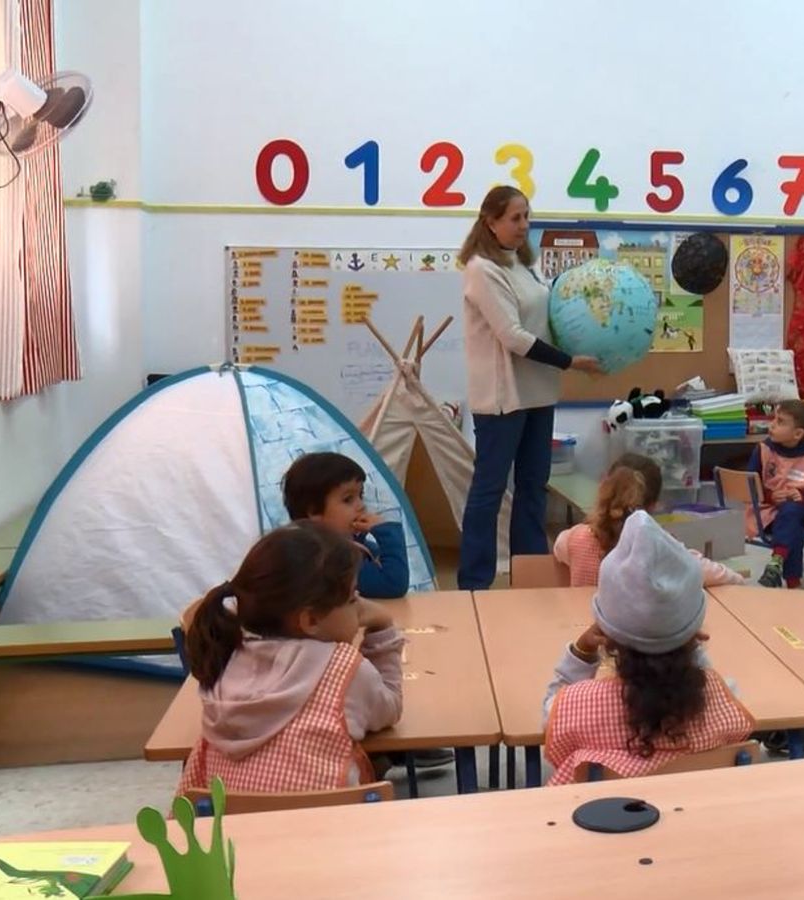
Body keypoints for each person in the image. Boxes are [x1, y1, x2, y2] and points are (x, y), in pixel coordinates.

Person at [178, 522, 404, 792]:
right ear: (310, 620)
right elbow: (389, 707)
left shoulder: (227, 652)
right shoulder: (343, 666)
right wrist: (383, 624)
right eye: (353, 598)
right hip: (330, 828)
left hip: (233, 830)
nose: (360, 606)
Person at [457, 185, 603, 590]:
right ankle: (474, 582)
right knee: (488, 492)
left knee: (533, 488)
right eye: (514, 218)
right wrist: (571, 362)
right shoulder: (482, 269)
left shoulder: (524, 265)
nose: (524, 226)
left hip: (539, 393)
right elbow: (514, 337)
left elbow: (545, 320)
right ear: (491, 221)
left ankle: (530, 576)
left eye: (527, 217)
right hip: (503, 399)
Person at [541, 511, 755, 785]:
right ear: (695, 634)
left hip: (609, 823)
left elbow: (549, 719)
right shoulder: (722, 699)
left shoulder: (577, 706)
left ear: (608, 635)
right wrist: (685, 637)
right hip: (697, 822)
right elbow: (709, 677)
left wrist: (581, 653)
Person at [553, 455, 744, 587]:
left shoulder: (574, 538)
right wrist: (739, 580)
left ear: (605, 486)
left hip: (583, 636)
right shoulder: (661, 547)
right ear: (654, 505)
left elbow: (559, 548)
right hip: (636, 642)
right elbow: (722, 576)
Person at [282, 452, 407, 599]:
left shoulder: (355, 547)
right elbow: (393, 584)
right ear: (314, 511)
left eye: (360, 495)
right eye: (348, 499)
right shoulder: (322, 558)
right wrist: (386, 532)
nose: (361, 506)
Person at [745, 399, 804, 589]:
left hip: (795, 513)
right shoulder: (763, 450)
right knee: (794, 529)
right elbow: (749, 485)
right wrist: (769, 495)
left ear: (798, 434)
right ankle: (792, 581)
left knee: (792, 511)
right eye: (774, 419)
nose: (772, 424)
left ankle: (777, 562)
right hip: (764, 514)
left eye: (780, 422)